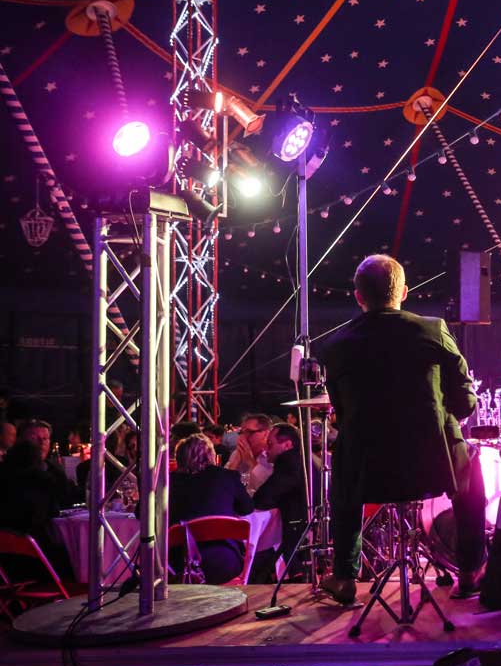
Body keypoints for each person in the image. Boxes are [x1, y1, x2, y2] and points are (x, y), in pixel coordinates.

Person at [318, 254, 484, 604]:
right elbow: (467, 402)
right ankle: (470, 572)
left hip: (368, 474)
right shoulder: (432, 330)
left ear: (358, 296)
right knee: (470, 471)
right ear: (404, 292)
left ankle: (345, 576)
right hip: (432, 468)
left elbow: (342, 413)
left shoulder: (335, 347)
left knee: (344, 456)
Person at [170, 433, 254, 584]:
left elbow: (140, 513)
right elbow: (247, 508)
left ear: (178, 458)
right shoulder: (227, 477)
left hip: (178, 565)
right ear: (211, 455)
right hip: (224, 562)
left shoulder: (167, 482)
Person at [0, 440, 75, 581]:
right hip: (37, 561)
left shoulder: (4, 481)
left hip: (6, 564)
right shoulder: (43, 482)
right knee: (72, 553)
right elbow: (54, 513)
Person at [252, 423, 307, 579]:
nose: (266, 450)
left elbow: (266, 496)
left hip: (296, 528)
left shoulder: (288, 462)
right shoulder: (302, 458)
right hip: (303, 525)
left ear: (287, 445)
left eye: (270, 444)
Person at [17, 419, 80, 506]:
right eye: (34, 438)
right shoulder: (9, 472)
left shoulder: (56, 472)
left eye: (45, 438)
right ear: (20, 440)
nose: (41, 442)